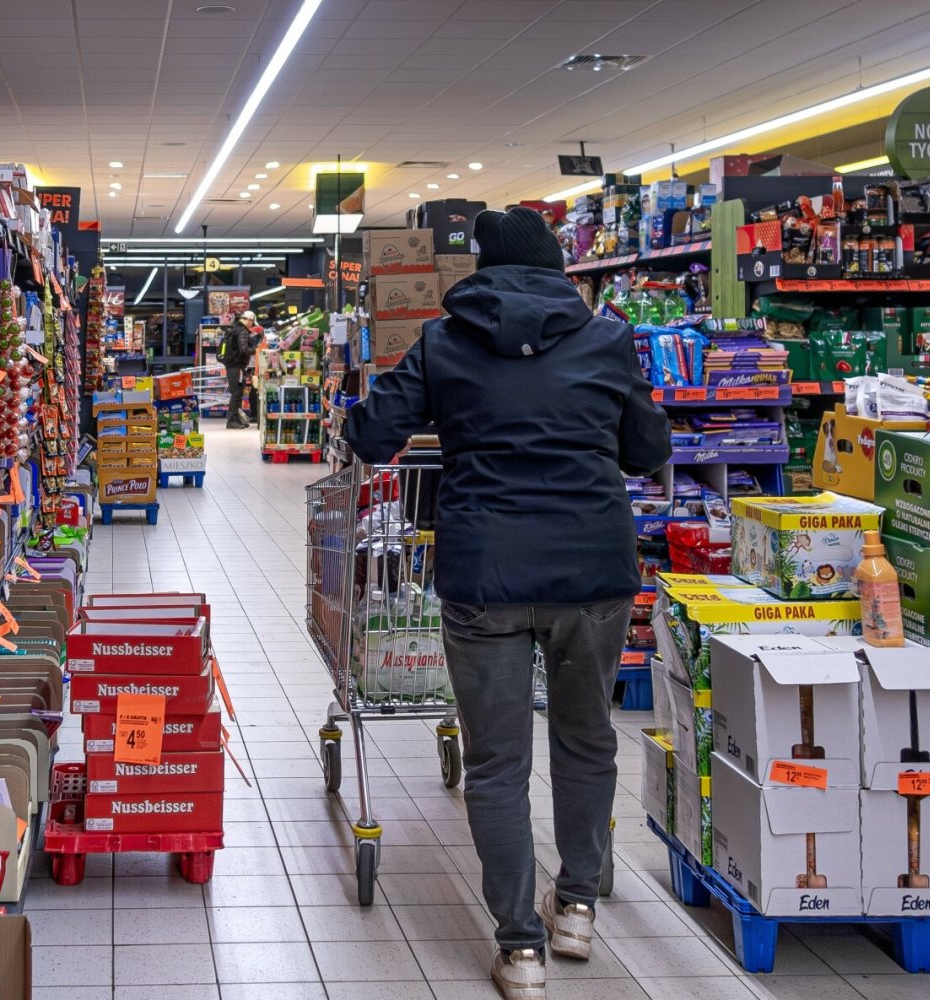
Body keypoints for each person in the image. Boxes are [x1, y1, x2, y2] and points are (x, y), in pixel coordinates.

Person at [343, 207, 670, 1000]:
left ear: (479, 269)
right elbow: (648, 450)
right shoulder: (607, 337)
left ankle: (520, 949)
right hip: (593, 572)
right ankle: (579, 907)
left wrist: (376, 405)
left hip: (485, 572)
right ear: (560, 266)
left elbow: (375, 431)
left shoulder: (447, 340)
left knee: (497, 764)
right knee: (588, 740)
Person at [220, 310, 261, 428]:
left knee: (237, 392)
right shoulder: (242, 331)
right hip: (236, 366)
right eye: (252, 323)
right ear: (248, 320)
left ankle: (237, 419)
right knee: (236, 393)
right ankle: (231, 421)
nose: (252, 325)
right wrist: (256, 350)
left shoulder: (234, 329)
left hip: (233, 365)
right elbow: (244, 350)